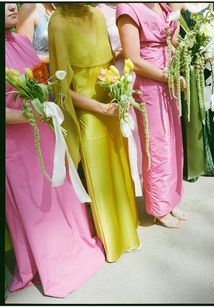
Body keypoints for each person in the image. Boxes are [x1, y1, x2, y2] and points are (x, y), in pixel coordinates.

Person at [5, 3, 105, 298]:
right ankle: (47, 262)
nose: (12, 5)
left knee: (58, 193)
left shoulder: (22, 42)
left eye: (12, 1)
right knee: (34, 203)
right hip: (17, 144)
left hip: (44, 132)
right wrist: (27, 116)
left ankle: (71, 247)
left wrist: (46, 101)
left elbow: (41, 82)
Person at [48, 4, 140, 263]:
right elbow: (62, 88)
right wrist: (99, 107)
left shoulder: (98, 15)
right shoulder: (59, 23)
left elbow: (110, 65)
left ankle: (128, 231)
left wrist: (120, 95)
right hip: (89, 112)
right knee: (100, 176)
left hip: (112, 103)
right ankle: (113, 239)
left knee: (121, 169)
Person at [117, 3, 188, 228]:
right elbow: (133, 60)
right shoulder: (128, 9)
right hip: (149, 84)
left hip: (170, 81)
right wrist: (168, 77)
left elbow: (173, 40)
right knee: (156, 146)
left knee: (173, 143)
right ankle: (158, 206)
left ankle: (170, 198)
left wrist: (196, 47)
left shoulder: (164, 5)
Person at [169, 3, 214, 180]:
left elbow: (213, 28)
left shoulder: (209, 2)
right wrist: (194, 49)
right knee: (194, 107)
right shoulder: (177, 3)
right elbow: (173, 37)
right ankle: (196, 163)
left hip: (209, 61)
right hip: (190, 61)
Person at [97, 2, 143, 183]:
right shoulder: (98, 12)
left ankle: (152, 188)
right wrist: (122, 51)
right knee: (128, 130)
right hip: (119, 75)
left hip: (143, 72)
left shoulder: (137, 6)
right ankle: (130, 184)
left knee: (146, 130)